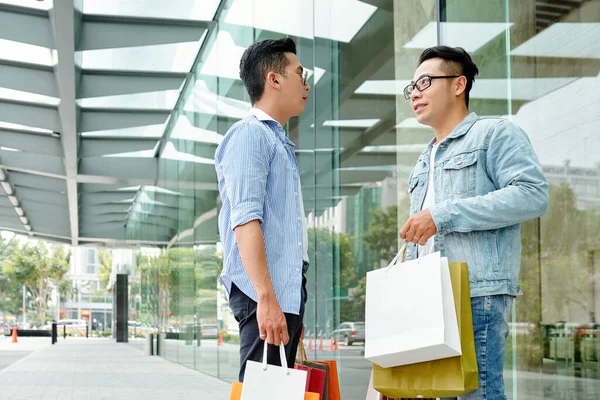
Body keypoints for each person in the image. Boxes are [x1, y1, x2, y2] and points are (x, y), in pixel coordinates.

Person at [399, 46, 549, 400]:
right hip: (429, 295)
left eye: (425, 81)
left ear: (458, 84)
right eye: (411, 87)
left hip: (475, 292)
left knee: (477, 394)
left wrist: (443, 214)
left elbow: (532, 194)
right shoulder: (423, 161)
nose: (415, 93)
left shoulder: (494, 134)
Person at [214, 37, 311, 382]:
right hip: (262, 294)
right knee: (262, 391)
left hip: (278, 293)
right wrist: (266, 298)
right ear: (274, 79)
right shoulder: (250, 135)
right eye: (300, 73)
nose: (306, 82)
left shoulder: (277, 141)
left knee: (271, 390)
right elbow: (245, 220)